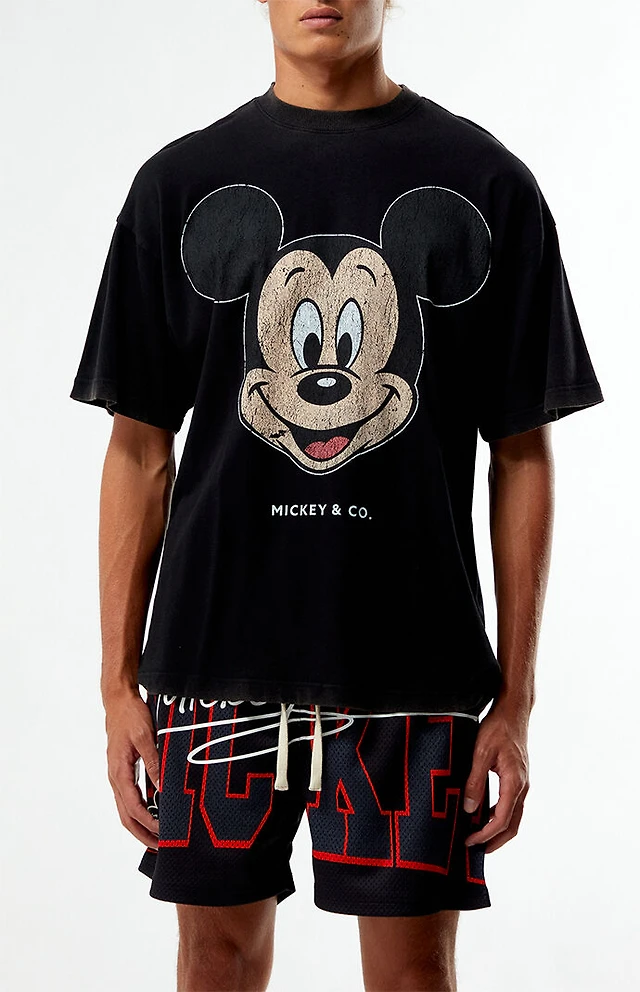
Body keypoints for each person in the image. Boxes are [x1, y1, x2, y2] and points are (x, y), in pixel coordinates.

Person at [68, 1, 605, 989]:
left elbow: (521, 451)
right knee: (215, 957)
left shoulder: (486, 185)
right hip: (212, 665)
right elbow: (138, 448)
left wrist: (516, 697)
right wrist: (116, 684)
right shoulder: (179, 185)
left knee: (411, 973)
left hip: (415, 670)